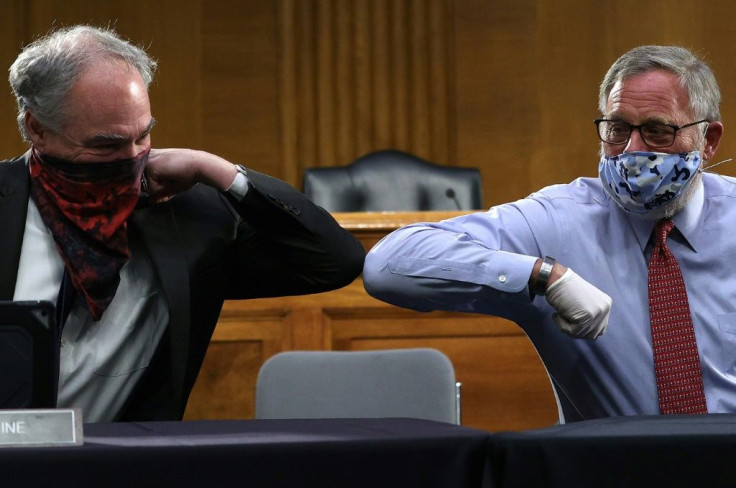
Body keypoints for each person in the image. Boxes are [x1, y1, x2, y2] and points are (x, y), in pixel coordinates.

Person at [2, 25, 365, 422]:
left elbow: (334, 260)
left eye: (143, 137)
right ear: (37, 128)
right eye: (106, 145)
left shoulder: (189, 216)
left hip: (125, 468)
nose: (132, 159)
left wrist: (220, 171)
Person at [363, 45, 734, 422]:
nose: (631, 151)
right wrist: (544, 276)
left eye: (657, 131)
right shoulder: (559, 220)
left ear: (708, 141)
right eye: (617, 130)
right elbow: (387, 264)